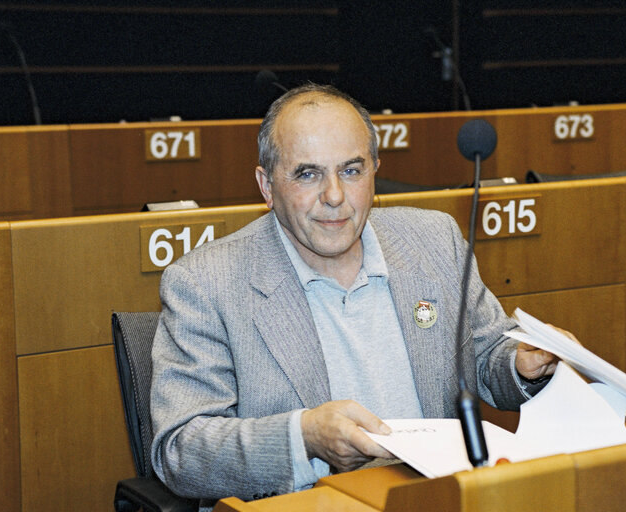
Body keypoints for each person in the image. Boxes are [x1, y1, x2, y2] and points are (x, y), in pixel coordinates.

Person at [150, 84, 561, 505]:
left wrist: (521, 364)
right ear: (267, 185)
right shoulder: (206, 283)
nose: (335, 196)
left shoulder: (435, 240)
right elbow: (181, 449)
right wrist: (303, 437)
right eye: (308, 174)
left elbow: (486, 356)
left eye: (351, 170)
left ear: (375, 169)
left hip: (436, 497)